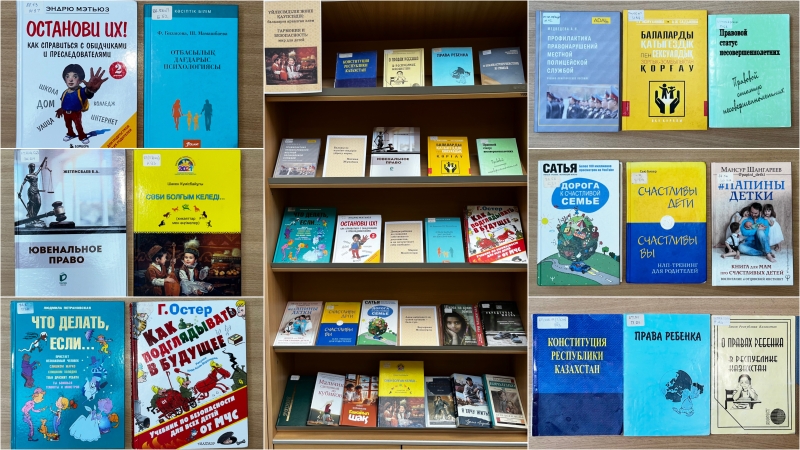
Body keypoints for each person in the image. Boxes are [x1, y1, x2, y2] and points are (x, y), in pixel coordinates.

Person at [56, 64, 107, 144]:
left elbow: (87, 93)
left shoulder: (80, 91)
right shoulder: (65, 92)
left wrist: (90, 90)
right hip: (66, 113)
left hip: (76, 113)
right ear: (65, 79)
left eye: (75, 76)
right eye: (67, 76)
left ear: (80, 80)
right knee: (68, 125)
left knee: (78, 125)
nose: (71, 79)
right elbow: (64, 102)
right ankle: (70, 134)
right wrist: (61, 109)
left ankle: (82, 136)